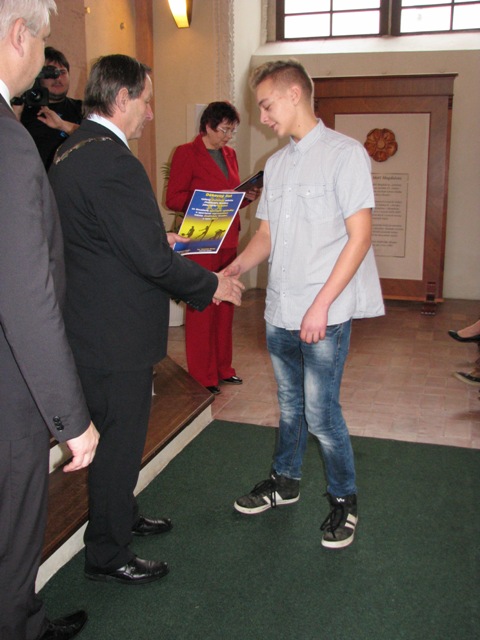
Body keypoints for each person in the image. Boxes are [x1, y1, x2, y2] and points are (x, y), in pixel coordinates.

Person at [49, 55, 244, 585]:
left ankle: (123, 515)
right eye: (146, 100)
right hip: (115, 334)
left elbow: (101, 237)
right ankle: (108, 554)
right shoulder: (113, 160)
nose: (150, 113)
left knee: (119, 437)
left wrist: (159, 237)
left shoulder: (73, 149)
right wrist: (212, 285)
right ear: (122, 98)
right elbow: (152, 265)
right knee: (120, 443)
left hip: (91, 322)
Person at [227, 60, 385, 549]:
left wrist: (321, 305)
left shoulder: (345, 154)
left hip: (323, 314)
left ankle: (344, 500)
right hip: (280, 309)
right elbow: (267, 235)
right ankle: (285, 482)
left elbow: (360, 238)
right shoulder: (276, 165)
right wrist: (234, 267)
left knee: (322, 414)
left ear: (294, 94)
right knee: (290, 405)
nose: (263, 117)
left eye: (266, 106)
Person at [0, 1, 99, 639]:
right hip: (8, 387)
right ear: (19, 34)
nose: (43, 57)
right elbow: (26, 294)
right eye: (43, 41)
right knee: (13, 535)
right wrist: (72, 420)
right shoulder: (7, 140)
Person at [166, 102, 260, 394]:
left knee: (226, 304)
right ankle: (202, 375)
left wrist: (246, 197)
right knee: (203, 305)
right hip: (201, 238)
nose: (228, 137)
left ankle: (223, 368)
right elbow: (173, 198)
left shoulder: (230, 155)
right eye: (224, 130)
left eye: (232, 131)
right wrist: (211, 197)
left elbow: (232, 198)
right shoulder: (186, 152)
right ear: (207, 126)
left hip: (228, 237)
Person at [20, 46, 82, 169]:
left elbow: (97, 138)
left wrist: (63, 125)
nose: (57, 78)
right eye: (51, 73)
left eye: (62, 72)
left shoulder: (82, 108)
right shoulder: (24, 110)